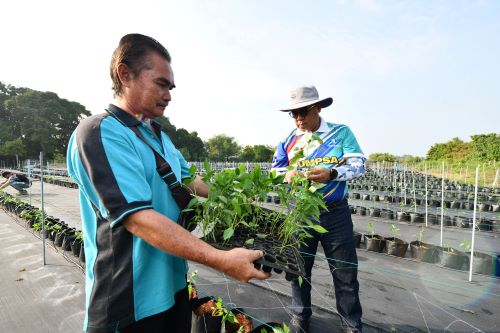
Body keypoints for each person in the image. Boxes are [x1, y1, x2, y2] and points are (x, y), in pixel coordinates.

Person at [66, 33, 269, 333]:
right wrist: (220, 260)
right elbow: (138, 219)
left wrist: (241, 203)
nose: (169, 94)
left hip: (173, 289)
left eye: (171, 87)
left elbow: (191, 181)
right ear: (125, 74)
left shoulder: (159, 137)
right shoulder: (100, 133)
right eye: (161, 83)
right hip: (128, 301)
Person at [272, 85, 365, 333]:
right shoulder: (288, 140)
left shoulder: (340, 133)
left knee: (344, 271)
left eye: (303, 112)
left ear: (318, 108)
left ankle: (351, 322)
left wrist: (332, 173)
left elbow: (359, 164)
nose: (298, 118)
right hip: (300, 212)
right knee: (298, 268)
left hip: (335, 213)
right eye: (293, 114)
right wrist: (287, 174)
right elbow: (275, 171)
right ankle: (300, 315)